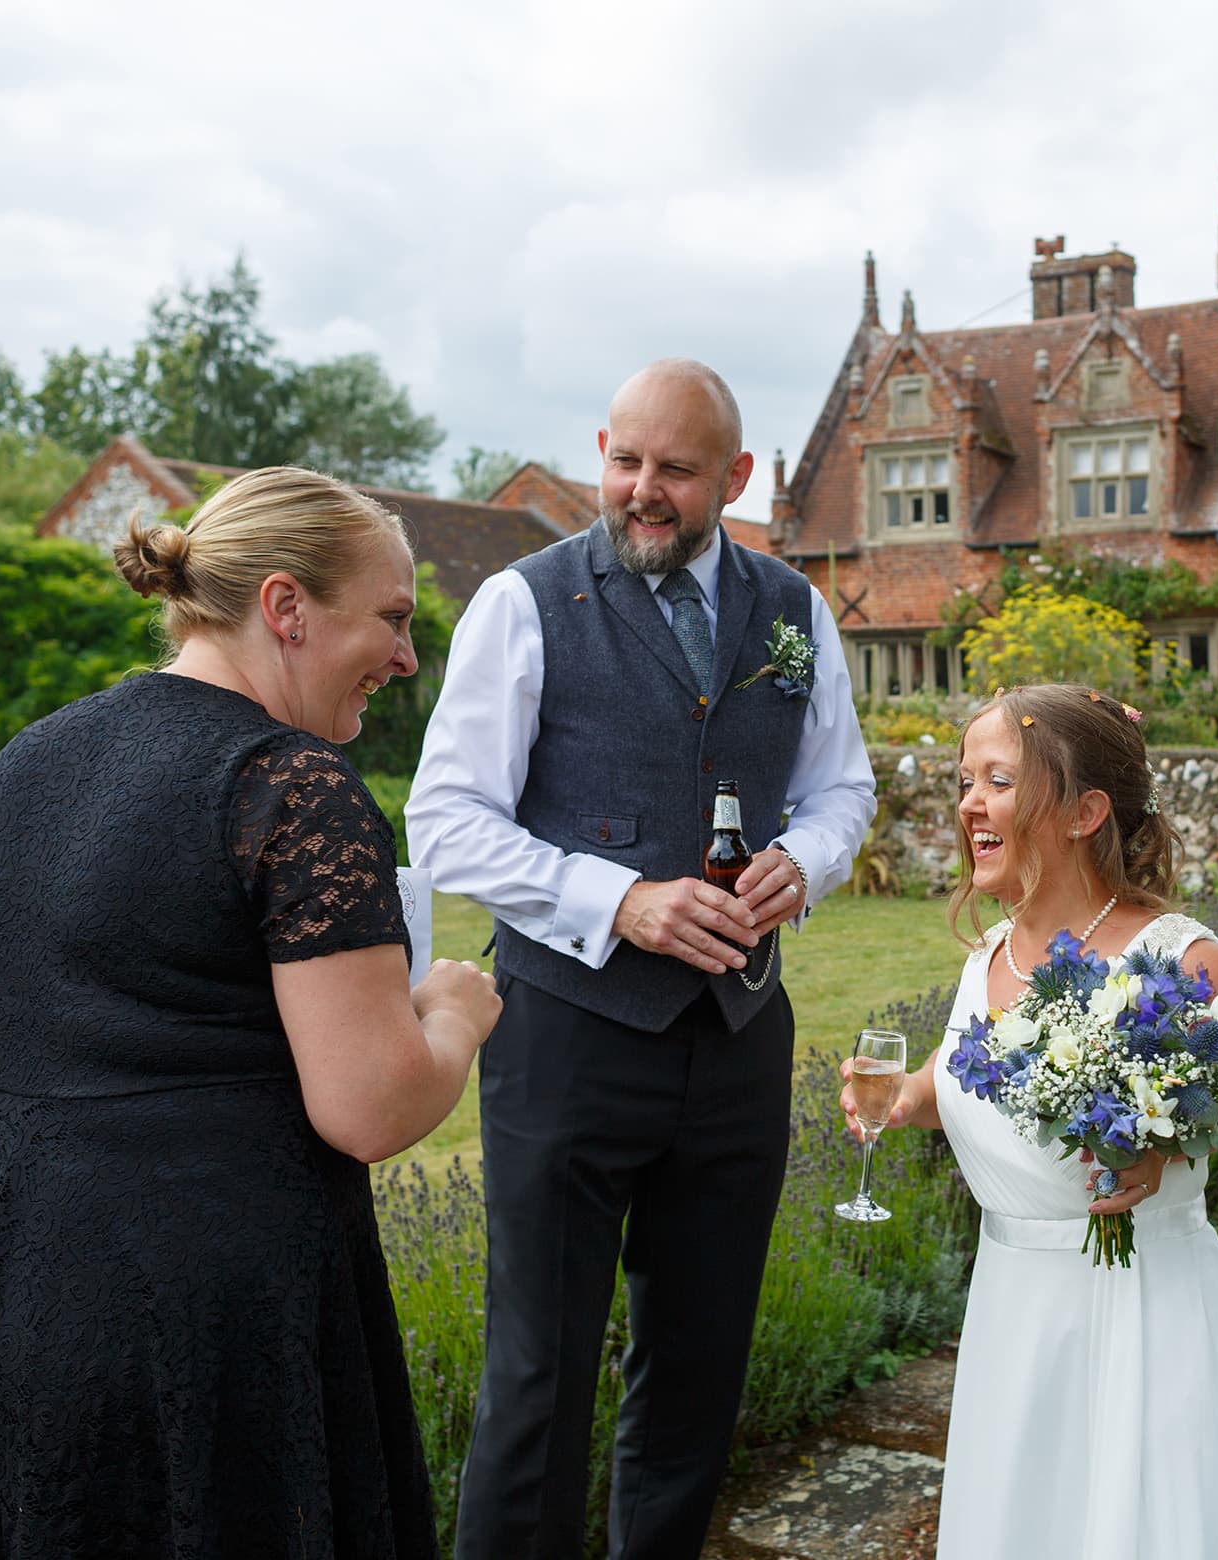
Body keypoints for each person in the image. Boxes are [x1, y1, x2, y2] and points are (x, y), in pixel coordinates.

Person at [0, 468, 502, 1557]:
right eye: (392, 618)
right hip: (191, 1322)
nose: (407, 657)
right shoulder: (289, 786)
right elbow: (370, 1105)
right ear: (286, 606)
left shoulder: (28, 760)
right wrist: (450, 1015)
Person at [407, 360, 877, 1559]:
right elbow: (448, 819)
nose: (643, 492)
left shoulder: (793, 610)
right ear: (600, 452)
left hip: (736, 1040)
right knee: (540, 1373)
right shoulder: (521, 605)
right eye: (625, 462)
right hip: (565, 1036)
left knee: (701, 1367)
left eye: (676, 471)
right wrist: (615, 901)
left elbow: (842, 789)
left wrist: (805, 864)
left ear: (736, 476)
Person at [842, 685, 1218, 1560]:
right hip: (1017, 1323)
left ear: (1084, 811)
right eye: (966, 781)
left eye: (998, 779)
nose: (969, 804)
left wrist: (1163, 1137)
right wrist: (906, 1098)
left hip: (1151, 1316)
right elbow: (957, 1074)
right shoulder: (989, 957)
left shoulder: (1175, 954)